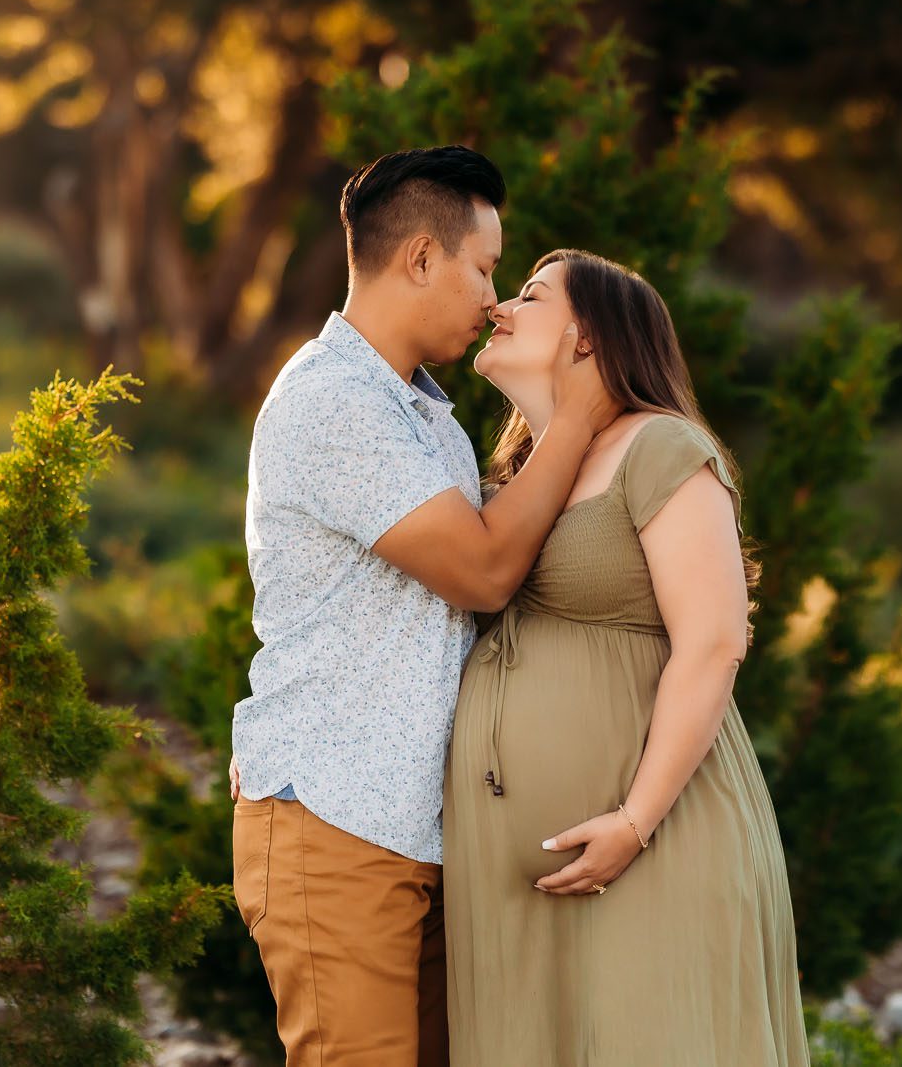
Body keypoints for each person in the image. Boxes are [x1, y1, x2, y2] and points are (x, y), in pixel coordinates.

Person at [228, 147, 618, 1067]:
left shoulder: (426, 415)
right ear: (419, 259)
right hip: (334, 821)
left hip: (424, 828)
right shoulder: (333, 399)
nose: (493, 297)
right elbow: (482, 573)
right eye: (484, 267)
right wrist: (576, 418)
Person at [444, 248, 811, 1066]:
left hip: (653, 846)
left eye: (529, 294)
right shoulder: (514, 479)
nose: (500, 305)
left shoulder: (660, 447)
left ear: (587, 337)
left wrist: (634, 820)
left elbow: (715, 641)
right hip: (514, 887)